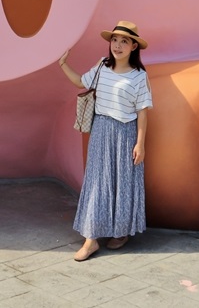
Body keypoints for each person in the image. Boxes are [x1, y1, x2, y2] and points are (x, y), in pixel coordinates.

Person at [58, 20, 152, 262]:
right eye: (114, 40)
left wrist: (140, 143)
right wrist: (63, 64)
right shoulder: (102, 67)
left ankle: (120, 232)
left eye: (124, 41)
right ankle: (91, 240)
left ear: (133, 47)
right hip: (101, 130)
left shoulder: (139, 76)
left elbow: (142, 111)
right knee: (98, 184)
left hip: (126, 133)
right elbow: (81, 82)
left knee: (122, 183)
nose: (117, 45)